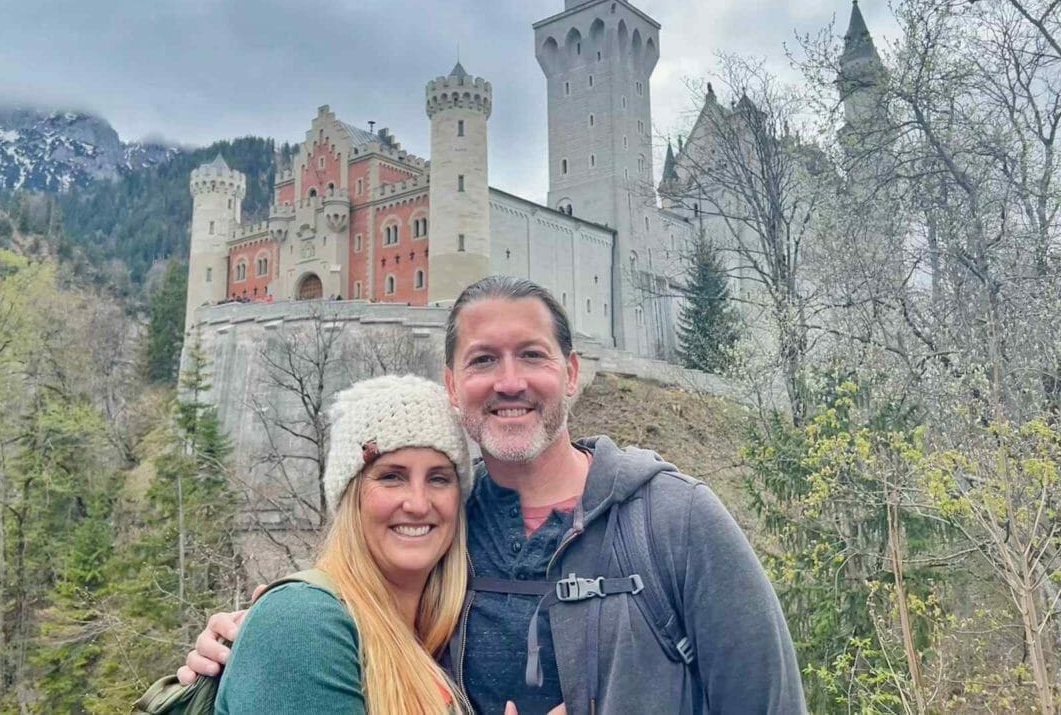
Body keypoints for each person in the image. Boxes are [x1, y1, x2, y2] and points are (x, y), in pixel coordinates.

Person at [184, 277, 806, 714]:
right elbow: (340, 616)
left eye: (531, 355)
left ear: (570, 372)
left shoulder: (675, 521)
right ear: (453, 385)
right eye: (484, 360)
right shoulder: (438, 539)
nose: (509, 382)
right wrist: (255, 636)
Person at [215, 374, 473, 714]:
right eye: (391, 477)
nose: (418, 503)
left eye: (438, 478)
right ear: (351, 495)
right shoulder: (303, 622)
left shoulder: (433, 636)